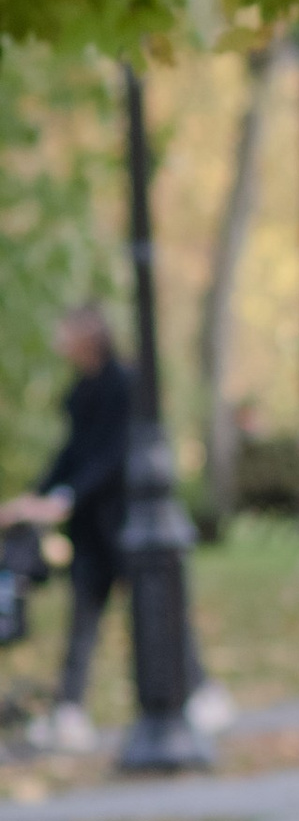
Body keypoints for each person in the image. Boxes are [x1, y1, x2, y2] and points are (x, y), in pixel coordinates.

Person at [0, 306, 130, 750]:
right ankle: (71, 706)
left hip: (124, 522)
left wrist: (63, 496)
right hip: (90, 529)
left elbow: (113, 456)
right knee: (84, 615)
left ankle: (192, 689)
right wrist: (36, 498)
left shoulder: (123, 385)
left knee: (153, 611)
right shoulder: (81, 391)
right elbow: (70, 453)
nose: (60, 341)